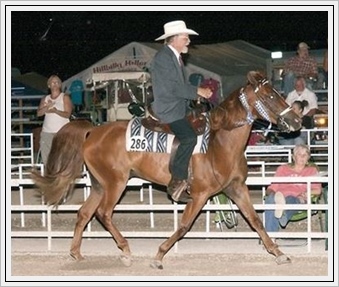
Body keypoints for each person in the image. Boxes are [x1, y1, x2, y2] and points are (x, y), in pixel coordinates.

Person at [150, 20, 212, 203]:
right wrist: (197, 91)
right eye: (185, 37)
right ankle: (176, 182)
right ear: (174, 39)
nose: (188, 41)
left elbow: (180, 86)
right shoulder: (163, 58)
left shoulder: (174, 57)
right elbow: (174, 87)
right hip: (169, 109)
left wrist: (195, 97)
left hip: (179, 106)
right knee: (189, 138)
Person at [264, 144, 322, 232]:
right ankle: (280, 207)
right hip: (279, 196)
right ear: (294, 157)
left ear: (308, 157)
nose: (302, 157)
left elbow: (318, 190)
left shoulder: (311, 170)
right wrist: (272, 195)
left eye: (305, 155)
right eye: (299, 154)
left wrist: (307, 194)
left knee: (291, 199)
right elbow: (271, 188)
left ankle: (272, 234)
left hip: (297, 198)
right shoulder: (282, 169)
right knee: (270, 200)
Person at [37, 75, 73, 164]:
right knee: (47, 156)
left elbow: (67, 114)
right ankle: (49, 175)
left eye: (57, 82)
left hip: (62, 131)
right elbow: (39, 113)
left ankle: (62, 175)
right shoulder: (45, 98)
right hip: (47, 132)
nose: (55, 84)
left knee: (62, 155)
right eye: (53, 82)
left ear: (60, 85)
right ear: (49, 85)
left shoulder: (64, 97)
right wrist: (47, 107)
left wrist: (56, 111)